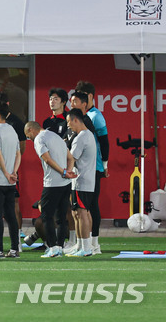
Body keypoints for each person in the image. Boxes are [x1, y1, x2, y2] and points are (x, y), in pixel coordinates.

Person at [24, 121, 76, 258]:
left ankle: (52, 248)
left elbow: (47, 159)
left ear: (30, 130)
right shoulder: (56, 137)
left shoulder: (39, 139)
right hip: (66, 184)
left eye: (28, 136)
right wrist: (67, 172)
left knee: (46, 216)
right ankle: (59, 247)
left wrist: (63, 172)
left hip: (52, 184)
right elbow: (71, 158)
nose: (30, 139)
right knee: (61, 217)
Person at [0, 91, 26, 252]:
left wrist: (7, 173)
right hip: (10, 182)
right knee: (11, 215)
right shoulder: (12, 130)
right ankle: (15, 249)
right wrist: (13, 173)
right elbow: (18, 154)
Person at [75, 80, 109, 255]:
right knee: (81, 207)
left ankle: (95, 243)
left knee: (91, 205)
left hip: (93, 168)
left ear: (88, 97)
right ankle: (83, 243)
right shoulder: (80, 117)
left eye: (80, 96)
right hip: (81, 168)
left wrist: (104, 166)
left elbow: (104, 142)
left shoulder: (96, 116)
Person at [65, 108, 97, 257]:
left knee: (81, 213)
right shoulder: (88, 135)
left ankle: (86, 248)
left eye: (69, 122)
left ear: (75, 120)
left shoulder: (82, 137)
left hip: (81, 181)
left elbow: (72, 157)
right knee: (77, 213)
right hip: (83, 180)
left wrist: (67, 171)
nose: (68, 125)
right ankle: (81, 245)